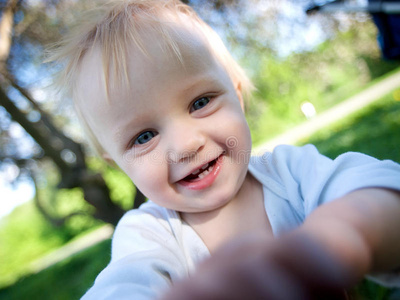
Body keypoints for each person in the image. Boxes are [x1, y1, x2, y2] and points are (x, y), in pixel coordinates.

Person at [46, 0, 400, 299]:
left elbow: (379, 190)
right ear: (119, 164)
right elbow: (122, 288)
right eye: (143, 137)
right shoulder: (147, 235)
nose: (186, 145)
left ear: (237, 95)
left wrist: (342, 236)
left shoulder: (290, 172)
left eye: (201, 102)